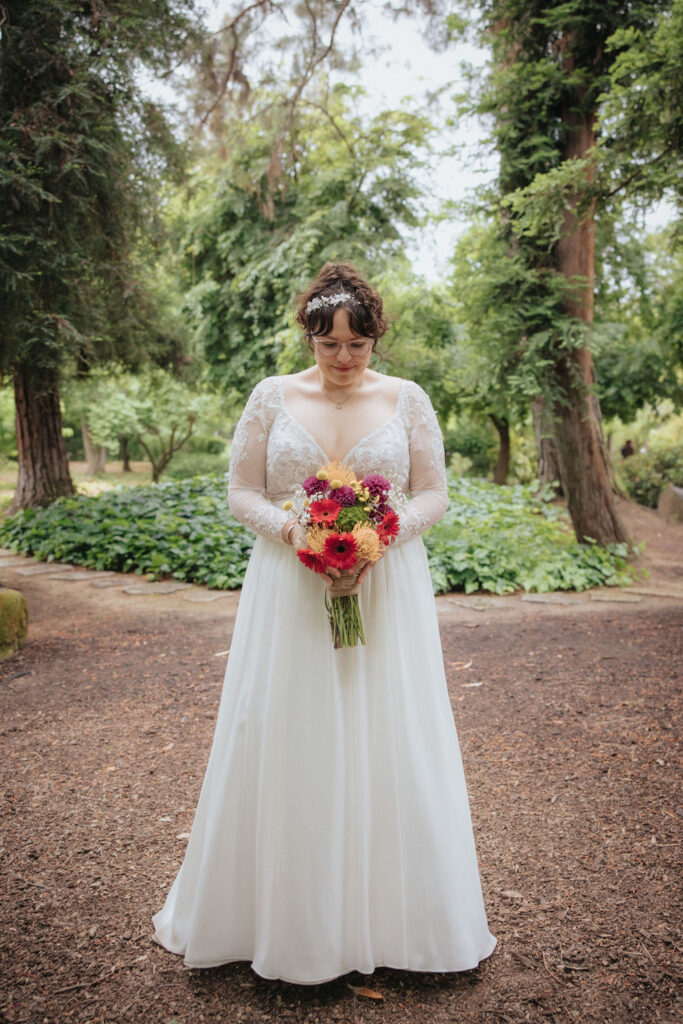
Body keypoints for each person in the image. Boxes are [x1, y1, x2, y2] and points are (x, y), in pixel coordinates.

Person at [151, 262, 497, 985]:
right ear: (307, 335)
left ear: (375, 340)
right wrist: (295, 535)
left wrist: (379, 538)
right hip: (288, 588)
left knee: (388, 729)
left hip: (385, 585)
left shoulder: (407, 400)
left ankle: (398, 923)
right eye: (327, 344)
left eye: (356, 346)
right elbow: (241, 489)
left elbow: (432, 492)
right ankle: (281, 922)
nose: (341, 360)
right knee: (289, 728)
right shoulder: (271, 397)